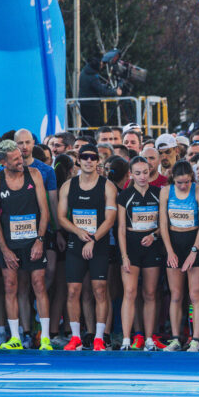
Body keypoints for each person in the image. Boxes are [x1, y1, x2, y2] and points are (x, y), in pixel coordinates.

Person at [0, 139, 54, 351]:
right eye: (15, 159)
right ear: (3, 162)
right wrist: (4, 250)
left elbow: (44, 211)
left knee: (38, 284)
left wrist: (40, 241)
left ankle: (45, 337)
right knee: (10, 286)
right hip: (10, 243)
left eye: (20, 156)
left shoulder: (34, 174)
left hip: (33, 240)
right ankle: (15, 337)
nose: (21, 161)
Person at [58, 144, 117, 351]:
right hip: (76, 243)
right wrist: (77, 232)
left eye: (93, 157)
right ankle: (75, 337)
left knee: (100, 290)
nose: (89, 161)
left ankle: (99, 337)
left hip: (98, 244)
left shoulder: (107, 186)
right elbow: (61, 217)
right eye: (85, 157)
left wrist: (93, 239)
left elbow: (110, 219)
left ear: (98, 160)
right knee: (73, 291)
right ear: (79, 160)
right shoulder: (68, 186)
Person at [159, 160, 199, 352]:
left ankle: (195, 339)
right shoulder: (166, 191)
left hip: (194, 241)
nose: (183, 186)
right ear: (173, 179)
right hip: (174, 242)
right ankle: (175, 338)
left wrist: (194, 252)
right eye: (179, 182)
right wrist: (169, 251)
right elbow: (163, 224)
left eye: (187, 182)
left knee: (195, 294)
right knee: (176, 294)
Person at [117, 156, 163, 351]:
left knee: (150, 293)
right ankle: (127, 339)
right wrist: (124, 256)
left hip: (152, 246)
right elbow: (120, 228)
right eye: (138, 173)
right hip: (131, 245)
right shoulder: (125, 195)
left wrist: (154, 235)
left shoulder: (158, 193)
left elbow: (164, 224)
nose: (142, 176)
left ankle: (149, 338)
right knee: (129, 292)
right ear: (131, 174)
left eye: (145, 172)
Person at [78, 57, 122, 128]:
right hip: (92, 105)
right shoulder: (92, 76)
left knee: (86, 126)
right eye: (101, 64)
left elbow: (94, 87)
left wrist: (103, 86)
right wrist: (116, 92)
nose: (102, 66)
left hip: (84, 104)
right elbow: (102, 92)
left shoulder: (85, 71)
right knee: (96, 126)